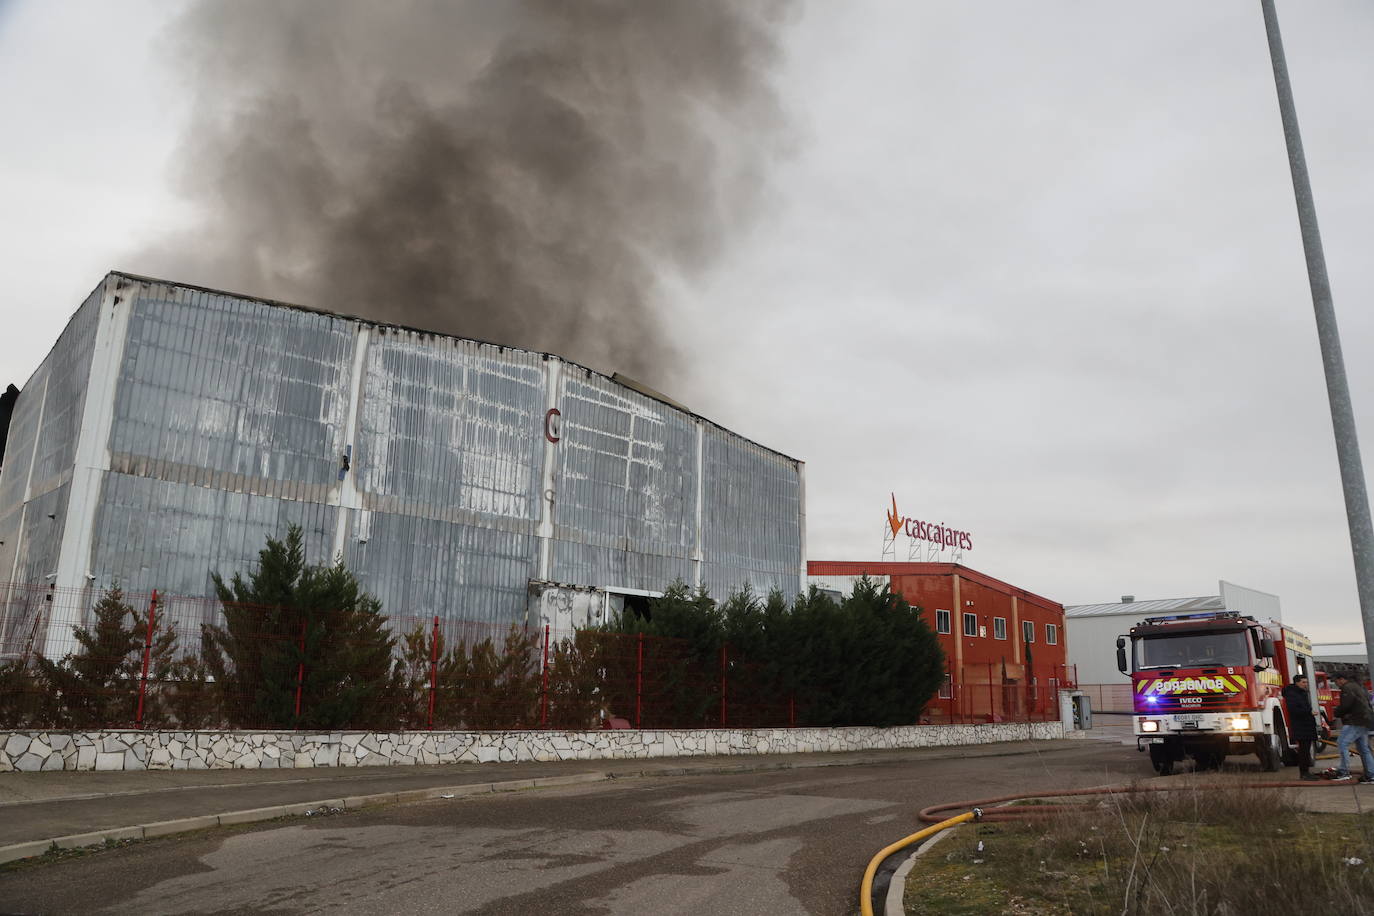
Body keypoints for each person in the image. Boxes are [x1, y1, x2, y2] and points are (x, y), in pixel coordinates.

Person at [1332, 672, 1374, 783]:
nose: (1337, 684)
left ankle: (1343, 771)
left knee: (1342, 743)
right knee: (1363, 748)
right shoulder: (1357, 687)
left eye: (1336, 681)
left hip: (1355, 721)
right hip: (1366, 720)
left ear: (1341, 679)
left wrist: (1336, 712)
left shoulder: (1347, 688)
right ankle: (1371, 774)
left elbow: (1346, 705)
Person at [1281, 674, 1320, 780]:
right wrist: (1309, 712)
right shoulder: (1292, 694)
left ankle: (1306, 772)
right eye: (1303, 682)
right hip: (1301, 726)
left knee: (1306, 750)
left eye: (1306, 682)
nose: (1305, 684)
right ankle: (1304, 773)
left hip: (1306, 726)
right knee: (1303, 751)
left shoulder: (1300, 693)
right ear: (1297, 682)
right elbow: (1294, 710)